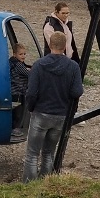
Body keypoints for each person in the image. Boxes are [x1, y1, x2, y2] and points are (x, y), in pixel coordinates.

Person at [23, 30, 83, 182]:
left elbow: (31, 92)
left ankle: (29, 186)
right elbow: (77, 92)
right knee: (49, 153)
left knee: (32, 154)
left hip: (41, 113)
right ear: (64, 47)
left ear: (50, 45)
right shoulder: (73, 67)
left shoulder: (39, 65)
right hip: (61, 115)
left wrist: (31, 108)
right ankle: (46, 183)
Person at [9, 42, 30, 133]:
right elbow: (28, 74)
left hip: (13, 91)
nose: (23, 56)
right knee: (18, 112)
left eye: (24, 54)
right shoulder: (18, 65)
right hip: (18, 91)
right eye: (20, 54)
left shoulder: (12, 62)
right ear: (14, 54)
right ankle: (15, 128)